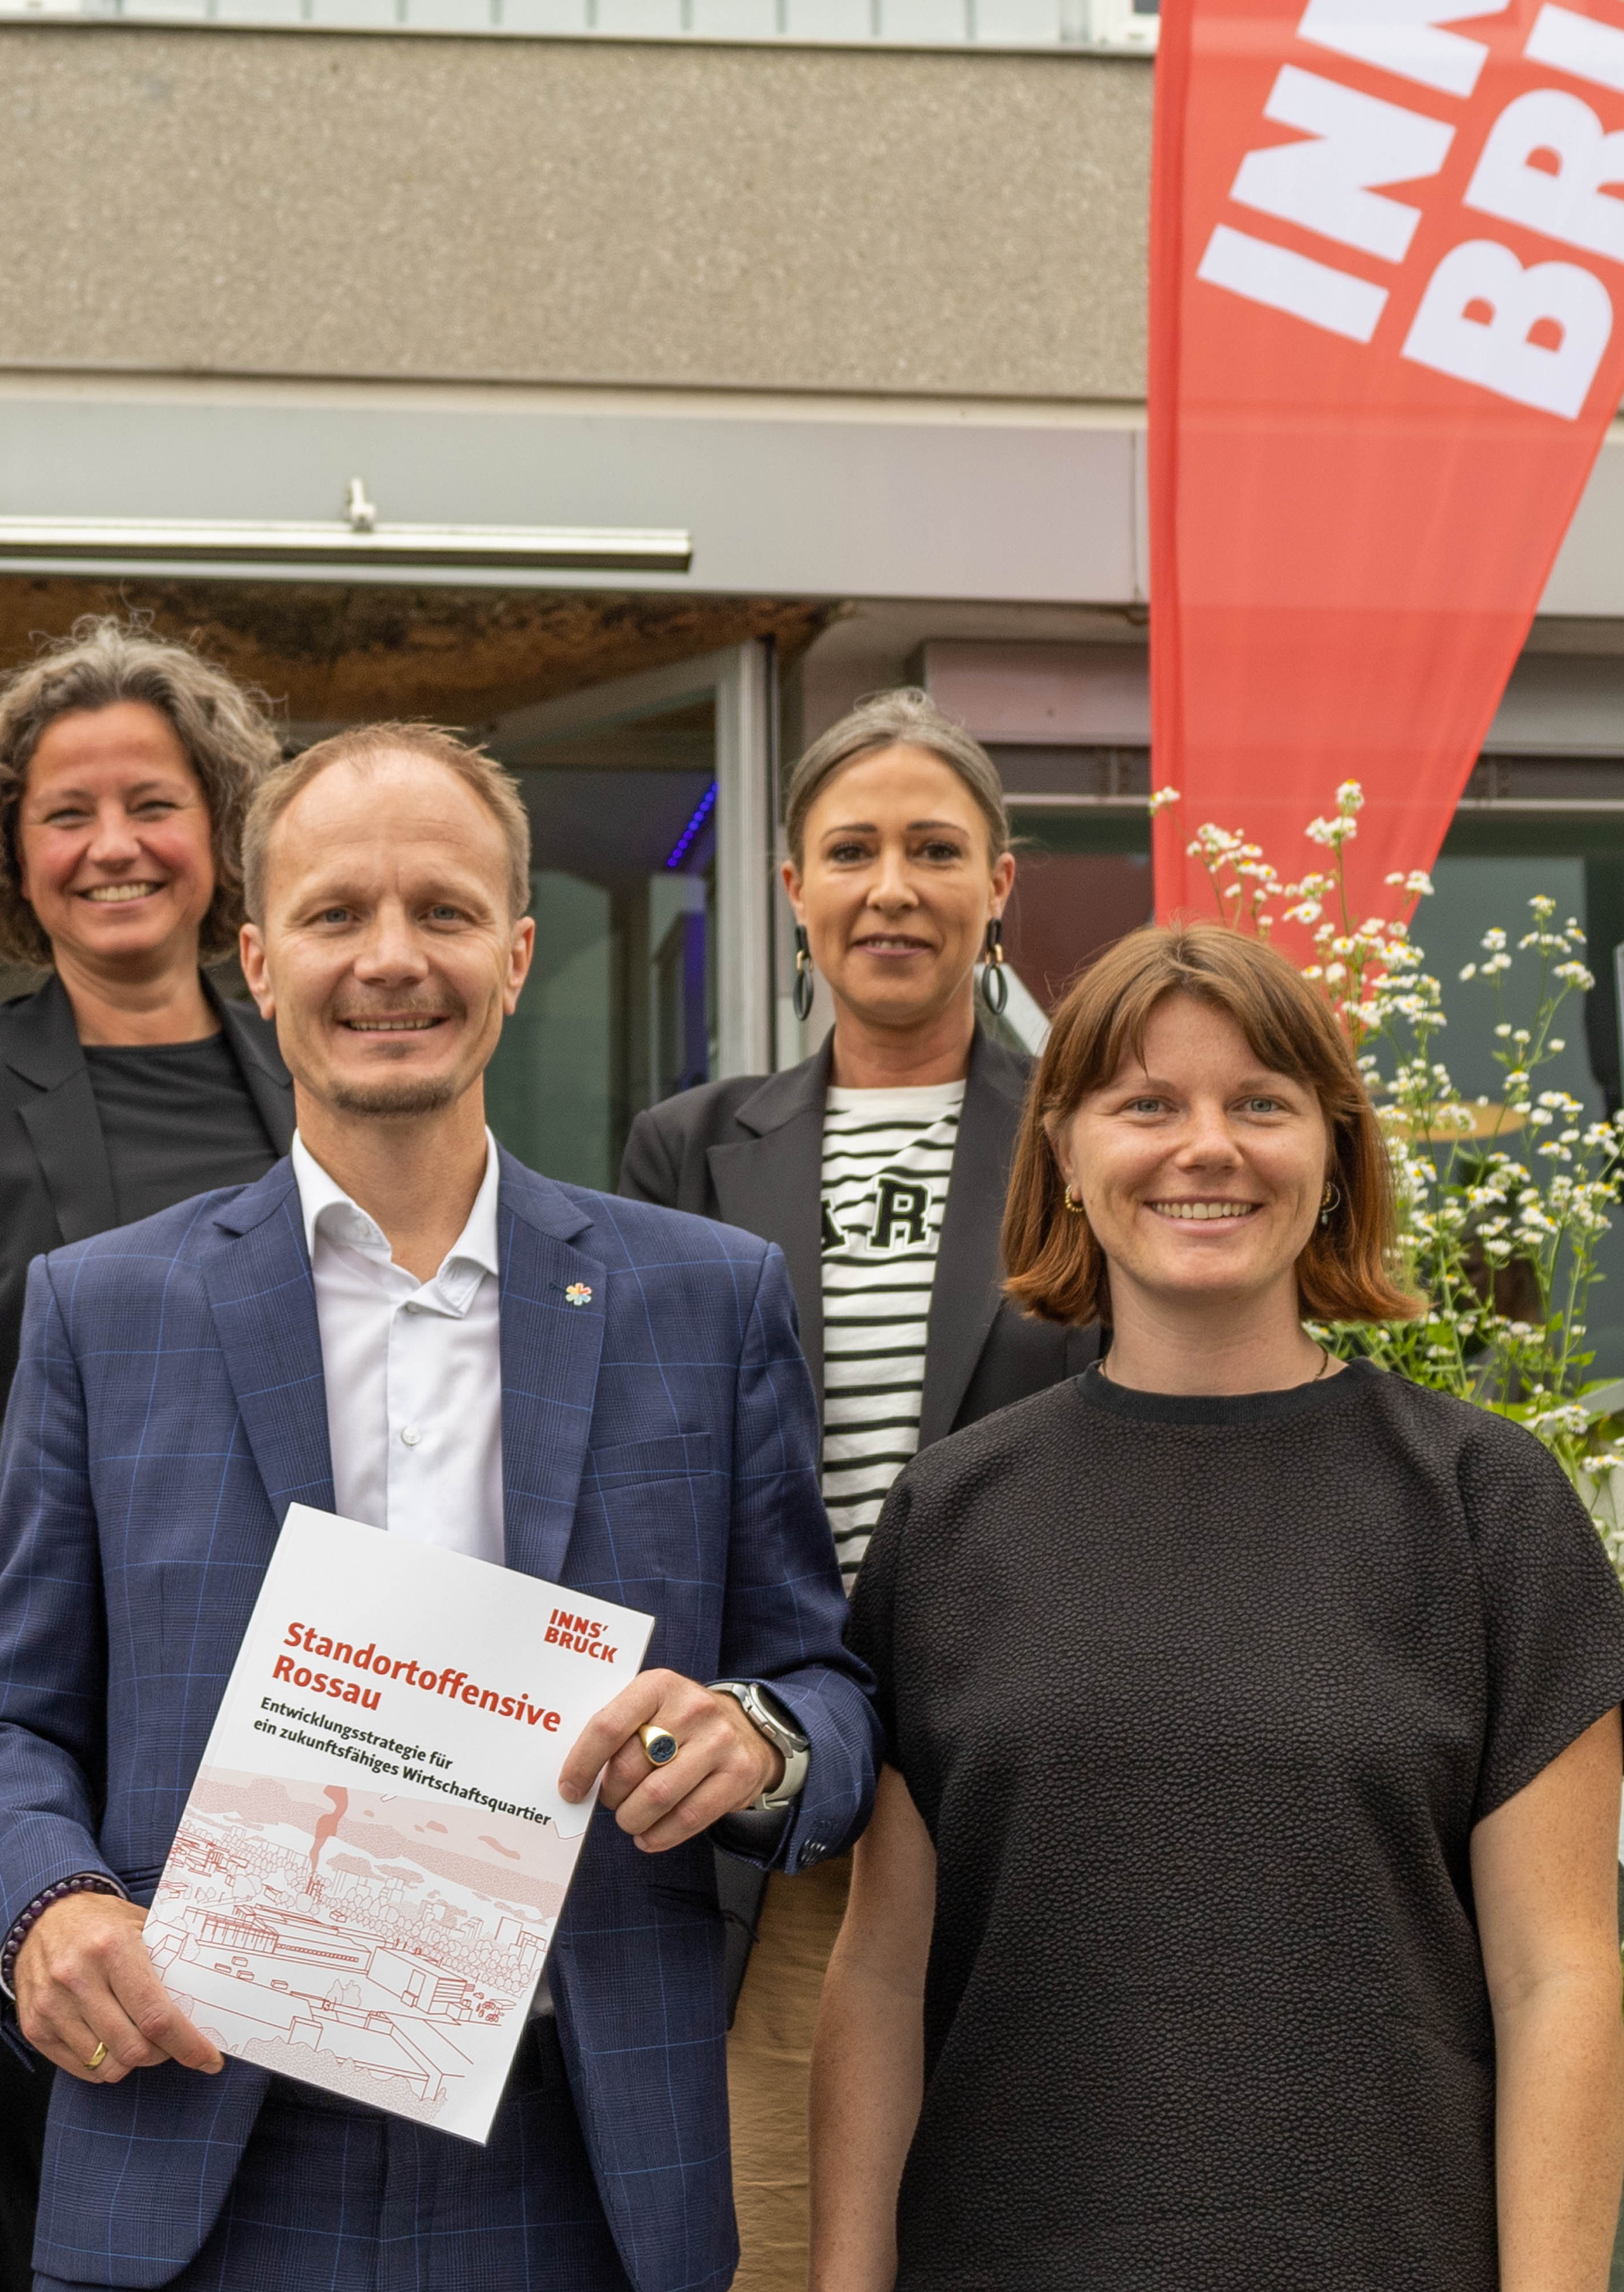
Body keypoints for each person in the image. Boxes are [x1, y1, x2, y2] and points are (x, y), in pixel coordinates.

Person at [0, 724, 874, 2292]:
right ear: (256, 959)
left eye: (442, 913)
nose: (391, 961)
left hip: (579, 2158)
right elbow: (1, 1733)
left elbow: (827, 1692)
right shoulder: (107, 1310)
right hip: (203, 2130)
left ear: (514, 956)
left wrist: (760, 1743)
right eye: (336, 915)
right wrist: (47, 1906)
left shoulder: (703, 1303)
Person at [809, 924, 1624, 2291]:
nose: (1206, 1146)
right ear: (1068, 1161)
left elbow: (1557, 1982)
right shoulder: (951, 1514)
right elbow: (883, 1979)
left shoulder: (1483, 1502)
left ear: (1331, 1160)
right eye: (1146, 1103)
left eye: (1260, 1102)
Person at [0, 619, 293, 2291]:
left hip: (269, 1732)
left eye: (152, 805)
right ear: (12, 858)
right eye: (67, 814)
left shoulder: (319, 1087)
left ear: (223, 835)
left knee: (242, 2192)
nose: (114, 848)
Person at [615, 686, 1094, 2288]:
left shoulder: (1093, 1140)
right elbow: (652, 1460)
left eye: (936, 850)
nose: (894, 886)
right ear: (791, 890)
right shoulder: (689, 1150)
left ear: (1000, 885)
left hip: (1035, 1775)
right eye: (854, 850)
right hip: (790, 1796)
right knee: (785, 2233)